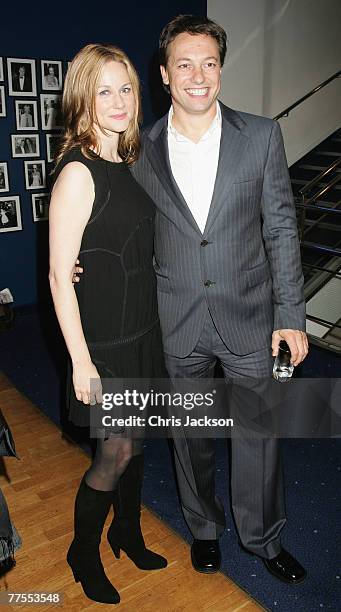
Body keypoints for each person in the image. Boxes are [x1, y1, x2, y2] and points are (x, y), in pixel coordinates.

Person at [130, 14, 309, 584]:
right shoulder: (140, 148)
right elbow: (126, 232)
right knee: (192, 437)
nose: (198, 75)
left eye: (209, 62)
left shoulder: (261, 135)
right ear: (164, 74)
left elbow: (281, 229)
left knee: (259, 433)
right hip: (176, 317)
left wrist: (291, 317)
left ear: (221, 72)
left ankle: (262, 537)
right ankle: (203, 528)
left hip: (252, 318)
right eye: (184, 63)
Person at [49, 43, 167, 605]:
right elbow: (56, 274)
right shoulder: (77, 170)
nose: (118, 100)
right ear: (83, 98)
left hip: (144, 332)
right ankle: (82, 552)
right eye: (104, 89)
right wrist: (81, 361)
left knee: (138, 445)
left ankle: (128, 531)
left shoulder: (129, 159)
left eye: (125, 88)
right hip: (106, 345)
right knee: (114, 452)